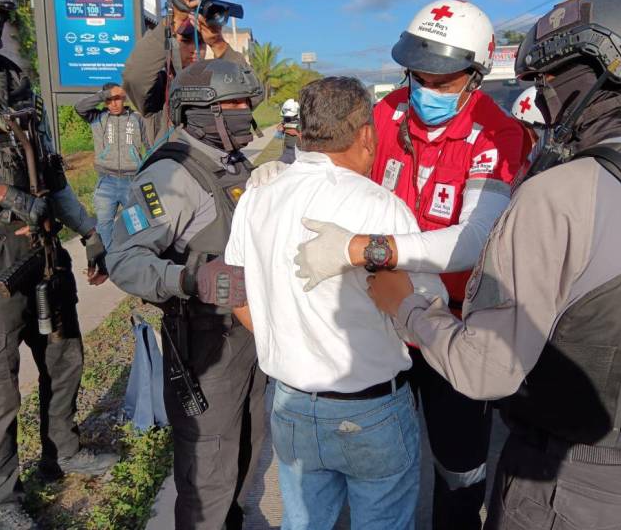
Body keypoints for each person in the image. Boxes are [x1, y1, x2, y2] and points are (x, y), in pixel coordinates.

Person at [367, 0, 621, 529]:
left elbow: (485, 369)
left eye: (544, 83)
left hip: (567, 485)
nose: (541, 102)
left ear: (580, 81)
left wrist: (406, 306)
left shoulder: (558, 192)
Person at [284, 0, 528, 529]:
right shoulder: (386, 113)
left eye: (443, 79)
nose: (425, 89)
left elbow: (470, 241)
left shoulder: (497, 136)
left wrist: (368, 249)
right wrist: (283, 177)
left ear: (476, 76)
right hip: (383, 317)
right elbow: (330, 167)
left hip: (454, 322)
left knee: (458, 468)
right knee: (377, 455)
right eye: (418, 74)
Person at [224, 76, 448, 530]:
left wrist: (277, 334)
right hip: (371, 409)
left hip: (290, 403)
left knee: (304, 521)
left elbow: (234, 290)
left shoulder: (258, 196)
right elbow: (422, 316)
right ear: (366, 133)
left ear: (302, 132)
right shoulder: (381, 206)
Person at [0, 0, 118, 530]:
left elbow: (51, 173)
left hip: (45, 248)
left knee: (65, 356)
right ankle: (2, 499)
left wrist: (91, 232)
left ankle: (63, 452)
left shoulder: (12, 80)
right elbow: (8, 185)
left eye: (1, 15)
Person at [106, 58, 266, 530]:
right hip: (205, 343)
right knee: (207, 471)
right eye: (234, 104)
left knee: (247, 447)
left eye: (246, 103)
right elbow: (124, 260)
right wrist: (189, 279)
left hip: (249, 336)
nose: (245, 113)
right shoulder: (171, 176)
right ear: (203, 112)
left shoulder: (231, 160)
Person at [122, 0, 251, 146]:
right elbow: (135, 76)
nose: (195, 49)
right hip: (174, 170)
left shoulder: (218, 81)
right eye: (186, 41)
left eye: (201, 42)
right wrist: (172, 21)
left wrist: (218, 44)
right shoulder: (160, 85)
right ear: (172, 42)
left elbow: (253, 93)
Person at [74, 82, 148, 247]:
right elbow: (79, 107)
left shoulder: (137, 118)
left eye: (117, 99)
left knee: (137, 227)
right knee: (104, 227)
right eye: (109, 100)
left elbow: (149, 147)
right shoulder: (97, 118)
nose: (113, 104)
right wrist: (103, 94)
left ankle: (135, 262)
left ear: (123, 98)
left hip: (132, 181)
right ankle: (108, 264)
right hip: (106, 182)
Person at [277, 97, 300, 164]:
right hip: (287, 150)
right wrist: (280, 129)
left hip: (298, 151)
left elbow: (308, 139)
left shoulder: (303, 121)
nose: (288, 118)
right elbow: (278, 136)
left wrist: (296, 133)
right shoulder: (286, 119)